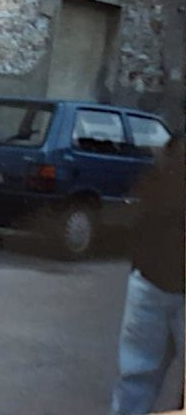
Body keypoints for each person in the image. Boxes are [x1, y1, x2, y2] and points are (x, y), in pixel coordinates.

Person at [110, 134, 185, 415]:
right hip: (152, 282)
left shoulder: (169, 156)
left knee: (135, 379)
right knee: (135, 378)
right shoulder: (171, 157)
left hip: (150, 280)